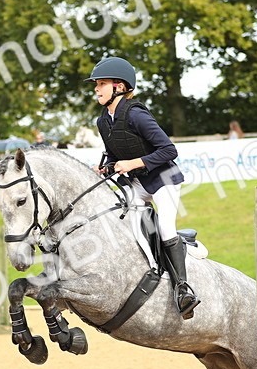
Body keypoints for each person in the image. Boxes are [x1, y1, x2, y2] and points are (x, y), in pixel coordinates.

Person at [86, 56, 200, 319]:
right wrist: (105, 167)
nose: (96, 89)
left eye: (101, 84)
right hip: (137, 183)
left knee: (165, 228)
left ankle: (183, 288)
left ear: (119, 86)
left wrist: (133, 162)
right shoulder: (103, 121)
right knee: (119, 218)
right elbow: (114, 154)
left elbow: (169, 150)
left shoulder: (136, 114)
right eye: (97, 85)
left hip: (163, 180)